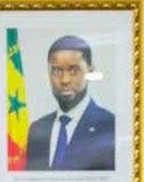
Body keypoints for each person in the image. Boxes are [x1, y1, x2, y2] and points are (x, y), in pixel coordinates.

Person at [26, 35, 116, 171]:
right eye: (57, 71)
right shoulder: (37, 129)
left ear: (90, 72)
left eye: (73, 70)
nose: (65, 80)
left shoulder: (110, 126)